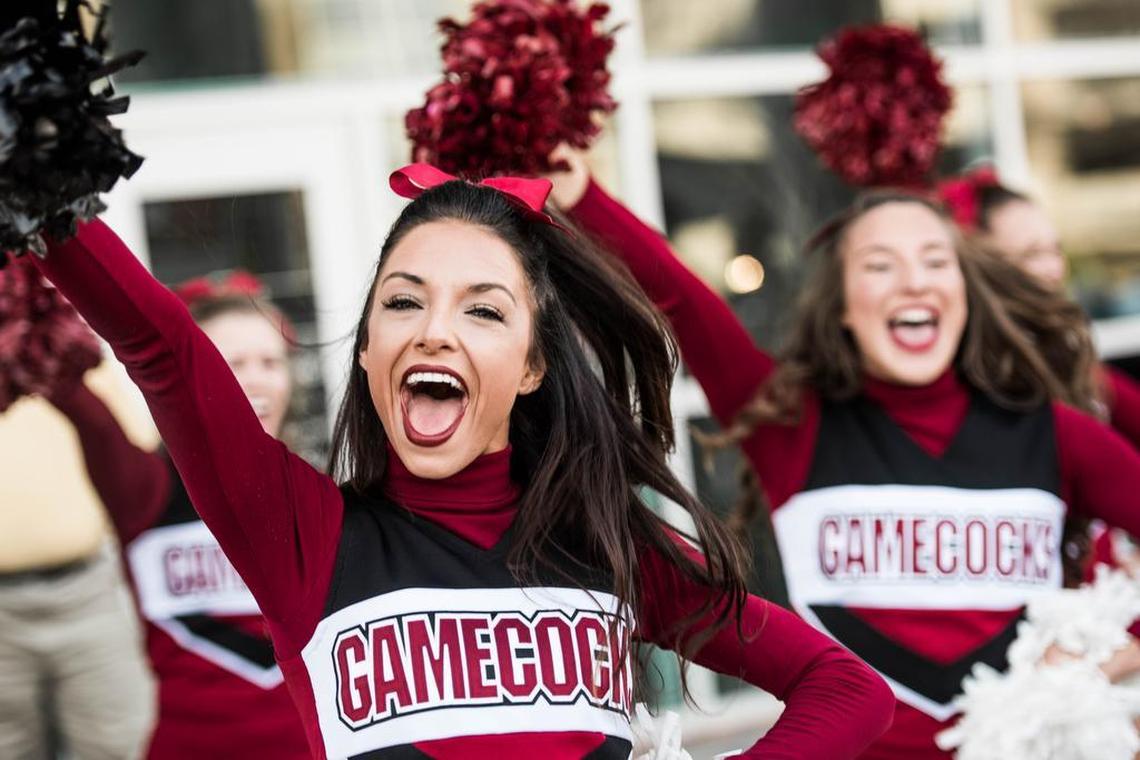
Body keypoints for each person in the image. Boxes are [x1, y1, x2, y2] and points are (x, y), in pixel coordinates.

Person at [29, 165, 895, 759]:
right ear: (368, 349)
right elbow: (163, 347)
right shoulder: (305, 536)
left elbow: (846, 687)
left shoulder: (606, 544)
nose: (434, 329)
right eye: (402, 301)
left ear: (531, 365)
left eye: (483, 310)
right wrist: (38, 161)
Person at [551, 153, 1140, 759]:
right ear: (840, 305)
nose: (913, 281)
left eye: (936, 262)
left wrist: (1109, 655)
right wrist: (585, 195)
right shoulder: (792, 424)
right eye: (880, 265)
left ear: (964, 291)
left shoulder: (1054, 433)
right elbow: (683, 299)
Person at [42, 273, 311, 758]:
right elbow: (82, 405)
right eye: (232, 363)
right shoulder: (147, 487)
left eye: (270, 361)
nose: (254, 377)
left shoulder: (322, 492)